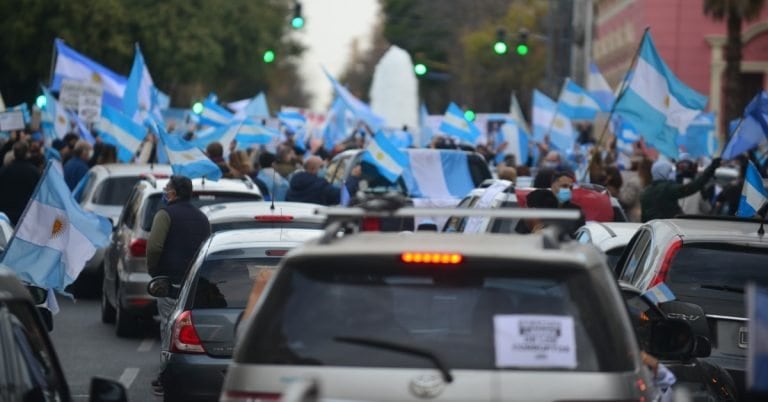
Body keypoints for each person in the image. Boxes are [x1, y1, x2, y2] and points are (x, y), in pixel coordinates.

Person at [146, 175, 211, 396]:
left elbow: (154, 247)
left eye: (166, 188)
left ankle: (166, 377)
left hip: (170, 284)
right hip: (194, 286)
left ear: (173, 193)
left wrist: (155, 274)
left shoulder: (165, 214)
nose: (165, 191)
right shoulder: (202, 218)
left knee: (168, 328)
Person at [640, 158, 721, 222]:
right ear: (663, 172)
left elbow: (643, 218)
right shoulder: (667, 189)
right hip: (668, 232)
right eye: (670, 171)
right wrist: (711, 168)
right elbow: (692, 187)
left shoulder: (645, 192)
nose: (673, 173)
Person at [0, 141, 41, 226]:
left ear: (14, 153)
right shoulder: (34, 171)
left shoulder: (4, 170)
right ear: (27, 153)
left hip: (6, 215)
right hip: (26, 214)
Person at [550, 170, 586, 235]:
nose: (568, 190)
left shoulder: (577, 211)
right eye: (564, 186)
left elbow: (580, 235)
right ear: (553, 187)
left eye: (571, 187)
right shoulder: (541, 208)